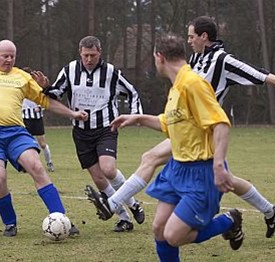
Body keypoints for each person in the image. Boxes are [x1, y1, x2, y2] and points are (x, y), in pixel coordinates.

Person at [86, 16, 275, 239]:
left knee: (151, 157)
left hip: (203, 129)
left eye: (191, 36)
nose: (188, 41)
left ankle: (113, 203)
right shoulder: (196, 60)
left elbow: (261, 75)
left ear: (203, 36)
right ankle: (270, 210)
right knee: (225, 178)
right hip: (185, 126)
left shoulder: (223, 60)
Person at [87, 34, 244, 261]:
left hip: (201, 172)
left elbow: (220, 123)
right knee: (159, 230)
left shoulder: (193, 84)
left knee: (173, 235)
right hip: (176, 169)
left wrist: (219, 166)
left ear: (159, 57)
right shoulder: (176, 87)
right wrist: (138, 118)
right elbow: (170, 124)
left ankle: (228, 220)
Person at [0, 39, 88, 237]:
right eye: (5, 56)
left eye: (12, 56)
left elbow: (46, 101)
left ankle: (60, 217)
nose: (8, 60)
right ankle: (10, 223)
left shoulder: (23, 77)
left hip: (16, 133)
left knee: (37, 167)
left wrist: (72, 114)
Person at [44, 36, 145, 232]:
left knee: (108, 169)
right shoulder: (70, 70)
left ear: (100, 53)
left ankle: (133, 204)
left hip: (106, 128)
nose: (89, 59)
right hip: (81, 133)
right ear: (80, 53)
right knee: (99, 179)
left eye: (92, 55)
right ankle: (124, 218)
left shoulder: (111, 73)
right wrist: (45, 87)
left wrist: (134, 116)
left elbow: (132, 92)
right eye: (85, 55)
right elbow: (57, 93)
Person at [21, 68, 55, 172]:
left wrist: (40, 107)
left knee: (42, 144)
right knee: (26, 144)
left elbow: (46, 100)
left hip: (37, 119)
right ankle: (26, 166)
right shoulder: (19, 87)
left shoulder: (38, 87)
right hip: (25, 119)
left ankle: (49, 162)